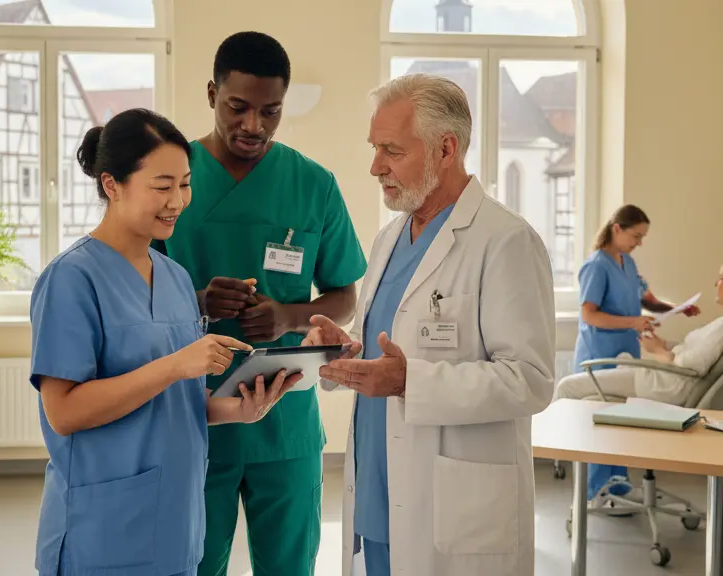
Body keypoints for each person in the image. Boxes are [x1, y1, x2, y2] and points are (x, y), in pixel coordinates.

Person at [29, 108, 303, 576]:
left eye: (185, 183)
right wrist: (178, 364)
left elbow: (175, 401)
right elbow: (64, 412)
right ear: (112, 184)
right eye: (162, 185)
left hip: (176, 525)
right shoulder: (71, 279)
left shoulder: (175, 278)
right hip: (105, 528)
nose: (178, 200)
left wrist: (237, 410)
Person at [303, 73, 556, 576]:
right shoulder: (389, 239)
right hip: (380, 495)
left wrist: (408, 381)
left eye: (391, 151)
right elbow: (394, 351)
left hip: (453, 512)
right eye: (375, 148)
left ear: (446, 148)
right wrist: (345, 356)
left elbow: (530, 380)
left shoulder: (505, 241)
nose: (375, 167)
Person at [152, 31, 367, 576]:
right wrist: (197, 302)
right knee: (195, 562)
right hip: (193, 411)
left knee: (290, 564)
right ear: (211, 94)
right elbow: (131, 292)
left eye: (270, 111)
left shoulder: (312, 185)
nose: (254, 125)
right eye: (237, 107)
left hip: (285, 416)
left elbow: (344, 295)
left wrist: (288, 317)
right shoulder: (175, 180)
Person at [572, 204, 702, 504]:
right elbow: (590, 315)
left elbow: (648, 300)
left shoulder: (627, 263)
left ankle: (618, 487)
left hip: (626, 352)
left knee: (621, 422)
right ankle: (598, 492)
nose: (639, 243)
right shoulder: (596, 266)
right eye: (636, 235)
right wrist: (634, 321)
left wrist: (677, 309)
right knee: (601, 423)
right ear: (616, 228)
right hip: (600, 353)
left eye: (642, 237)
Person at [556, 265, 723, 406]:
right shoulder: (719, 324)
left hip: (665, 384)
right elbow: (691, 354)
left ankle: (546, 444)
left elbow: (691, 366)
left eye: (721, 278)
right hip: (665, 379)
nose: (716, 283)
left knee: (567, 386)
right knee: (588, 397)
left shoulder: (721, 328)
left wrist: (658, 350)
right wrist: (664, 344)